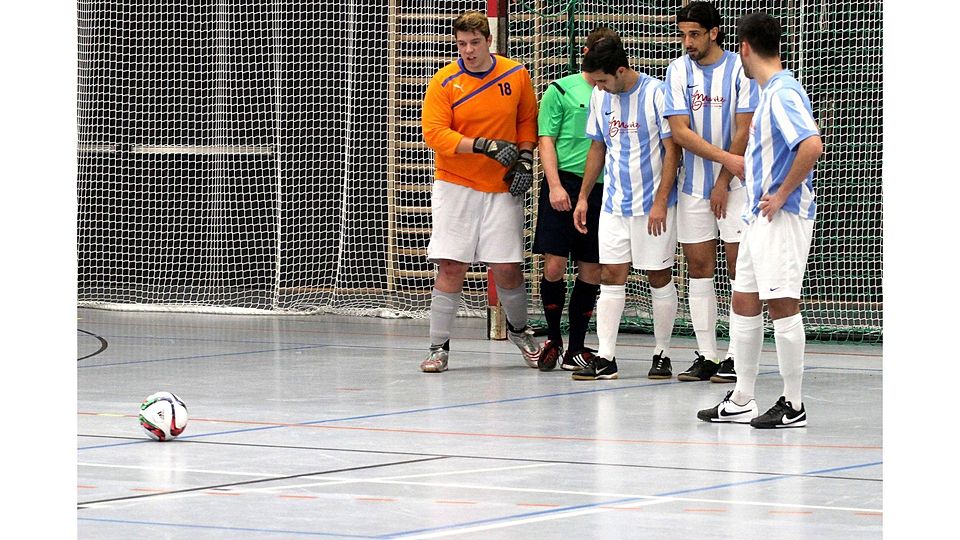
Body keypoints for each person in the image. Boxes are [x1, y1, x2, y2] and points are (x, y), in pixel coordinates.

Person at [697, 12, 823, 427]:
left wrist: (782, 192)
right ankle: (742, 398)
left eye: (739, 49)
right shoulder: (768, 92)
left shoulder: (784, 92)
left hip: (781, 216)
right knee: (744, 300)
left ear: (746, 48)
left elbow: (811, 146)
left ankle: (794, 403)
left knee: (782, 302)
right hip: (757, 217)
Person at [419, 10, 542, 373]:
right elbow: (435, 134)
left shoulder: (516, 75)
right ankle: (438, 347)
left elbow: (526, 120)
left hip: (501, 187)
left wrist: (524, 159)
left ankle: (520, 332)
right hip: (456, 184)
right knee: (452, 264)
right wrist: (483, 145)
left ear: (489, 40)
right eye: (461, 44)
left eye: (475, 43)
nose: (468, 50)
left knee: (507, 267)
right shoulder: (444, 81)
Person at [570, 34, 681, 381]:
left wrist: (661, 201)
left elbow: (672, 150)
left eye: (603, 79)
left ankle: (662, 353)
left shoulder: (656, 93)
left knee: (658, 276)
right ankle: (606, 357)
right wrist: (585, 196)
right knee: (610, 276)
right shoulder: (600, 97)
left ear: (620, 70)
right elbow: (597, 148)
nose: (599, 86)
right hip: (615, 204)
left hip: (653, 206)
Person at [663, 1, 759, 383]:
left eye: (695, 34)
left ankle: (737, 356)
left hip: (736, 185)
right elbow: (681, 132)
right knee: (699, 270)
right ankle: (707, 355)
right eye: (683, 34)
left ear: (714, 33)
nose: (687, 42)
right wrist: (718, 168)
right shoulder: (676, 71)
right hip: (692, 187)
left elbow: (744, 128)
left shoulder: (739, 67)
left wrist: (723, 180)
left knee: (740, 270)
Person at [533, 26, 618, 372]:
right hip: (564, 182)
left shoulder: (615, 91)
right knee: (553, 265)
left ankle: (578, 348)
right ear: (585, 51)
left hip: (600, 187)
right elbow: (546, 139)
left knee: (591, 268)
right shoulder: (560, 90)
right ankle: (554, 338)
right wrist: (554, 186)